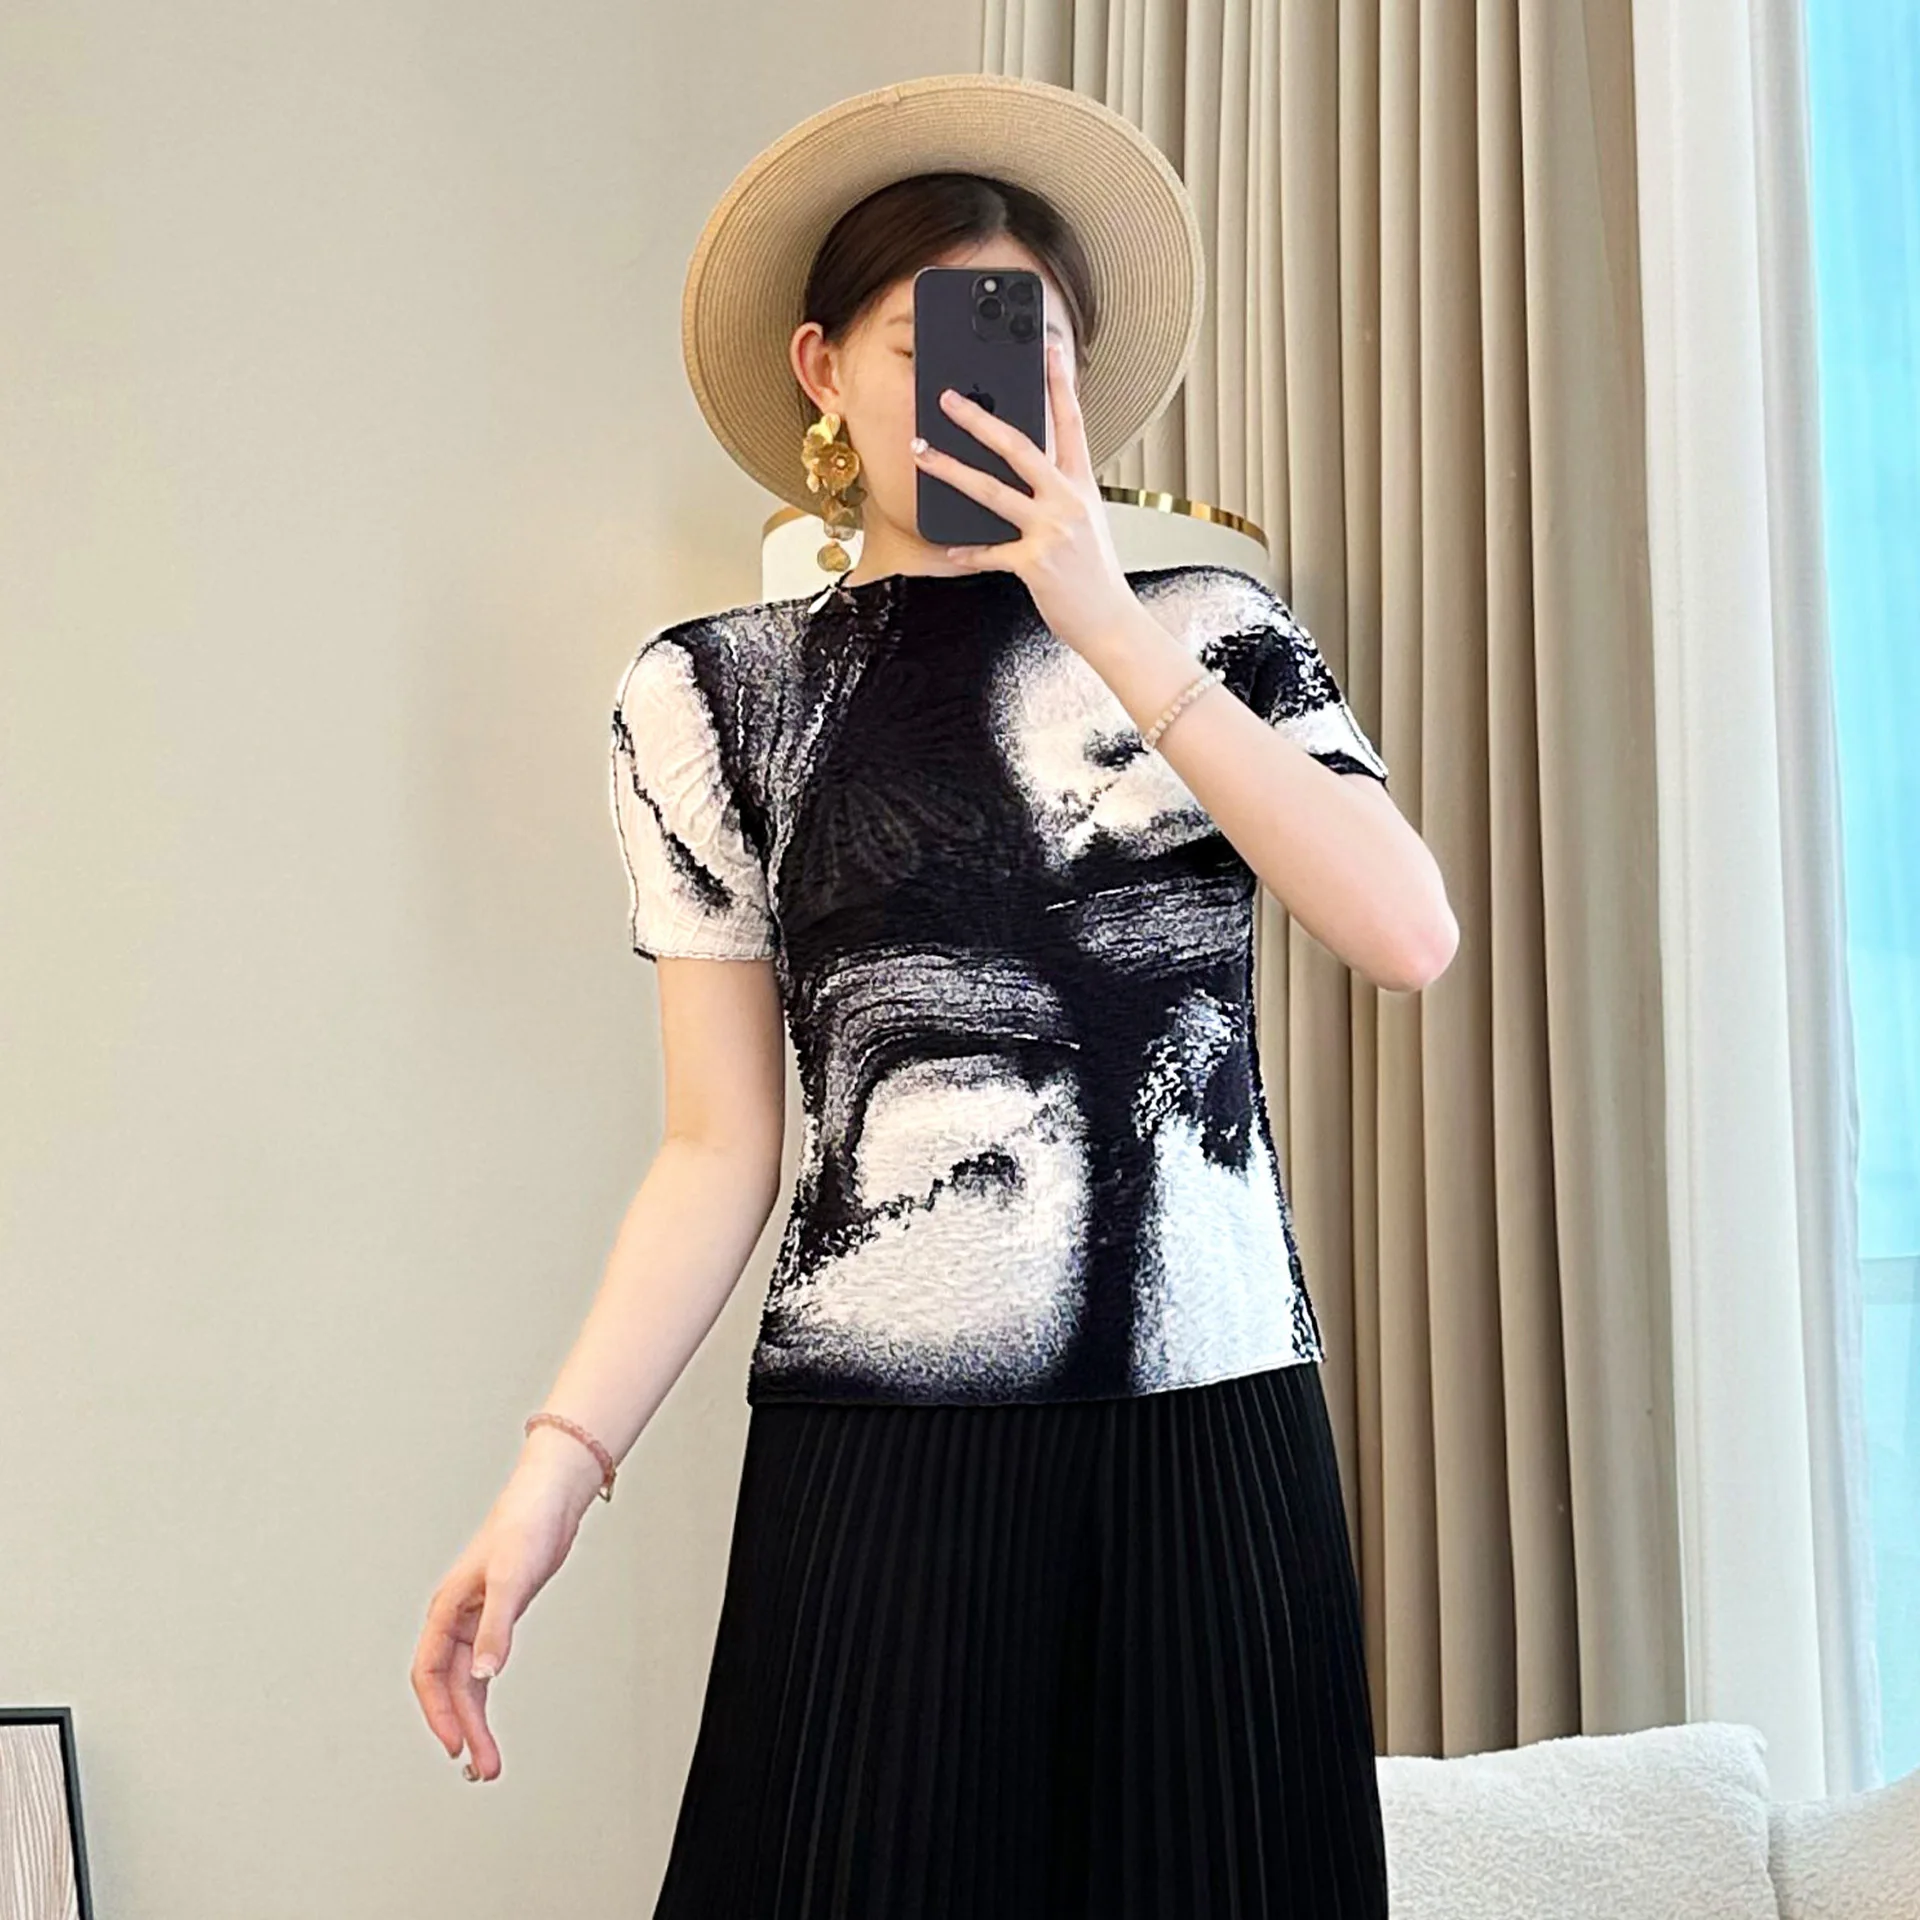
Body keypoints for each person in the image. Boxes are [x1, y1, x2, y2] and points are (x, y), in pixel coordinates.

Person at [411, 71, 1456, 1917]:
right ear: (824, 371)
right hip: (883, 1435)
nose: (982, 383)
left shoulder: (1215, 633)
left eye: (1026, 340)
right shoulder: (715, 694)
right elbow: (718, 1149)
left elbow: (1405, 931)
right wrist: (553, 1475)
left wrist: (1103, 614)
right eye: (927, 342)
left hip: (1212, 1426)